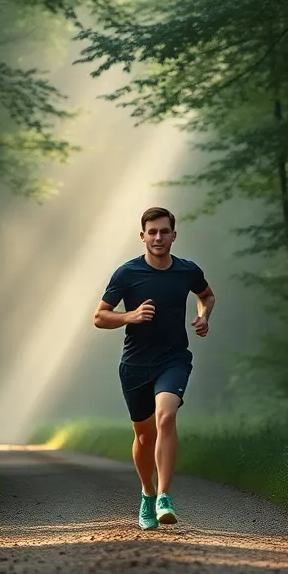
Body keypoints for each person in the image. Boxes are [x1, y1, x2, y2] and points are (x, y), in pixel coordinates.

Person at [93, 206, 216, 530]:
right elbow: (99, 317)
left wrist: (203, 317)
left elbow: (207, 295)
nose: (158, 237)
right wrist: (129, 316)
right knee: (145, 437)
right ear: (143, 236)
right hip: (135, 365)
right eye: (153, 232)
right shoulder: (127, 274)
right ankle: (147, 494)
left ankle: (164, 496)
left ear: (174, 235)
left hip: (174, 359)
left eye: (164, 231)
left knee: (166, 416)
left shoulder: (187, 271)